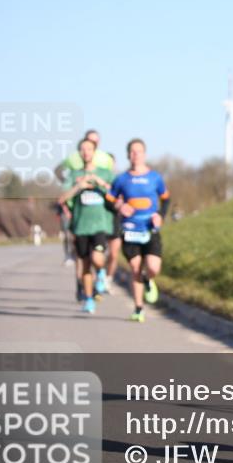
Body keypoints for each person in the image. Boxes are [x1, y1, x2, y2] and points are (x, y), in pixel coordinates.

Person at [108, 138, 170, 323]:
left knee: (153, 267)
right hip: (130, 230)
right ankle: (138, 309)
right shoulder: (121, 179)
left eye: (139, 151)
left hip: (150, 229)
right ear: (128, 155)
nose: (136, 155)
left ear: (145, 154)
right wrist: (120, 206)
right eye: (132, 152)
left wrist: (160, 215)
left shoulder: (155, 178)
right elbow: (109, 200)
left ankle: (148, 279)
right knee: (135, 268)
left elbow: (166, 199)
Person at [55, 129, 119, 294]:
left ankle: (101, 273)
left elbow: (117, 194)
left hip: (100, 224)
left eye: (89, 149)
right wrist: (78, 187)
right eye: (83, 149)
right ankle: (88, 297)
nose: (86, 152)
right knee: (84, 263)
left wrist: (100, 183)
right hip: (80, 225)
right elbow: (61, 198)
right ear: (79, 153)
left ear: (95, 151)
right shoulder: (74, 174)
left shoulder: (105, 173)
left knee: (97, 257)